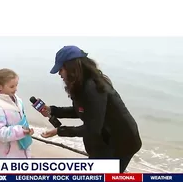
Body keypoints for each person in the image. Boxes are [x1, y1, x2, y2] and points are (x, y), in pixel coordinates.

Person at [39, 45, 142, 173]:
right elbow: (82, 110)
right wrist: (52, 110)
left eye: (61, 69)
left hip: (120, 143)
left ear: (72, 68)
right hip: (104, 140)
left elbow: (93, 128)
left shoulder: (92, 88)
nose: (59, 74)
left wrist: (59, 131)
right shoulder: (82, 84)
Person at [0, 68, 34, 158]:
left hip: (22, 150)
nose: (16, 89)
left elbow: (22, 120)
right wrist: (20, 131)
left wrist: (27, 130)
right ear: (0, 86)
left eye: (16, 85)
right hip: (6, 155)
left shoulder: (18, 100)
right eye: (12, 86)